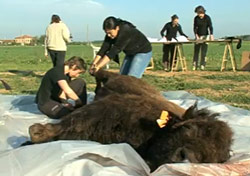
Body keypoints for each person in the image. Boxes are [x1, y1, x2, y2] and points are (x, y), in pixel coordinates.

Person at [193, 6, 214, 71]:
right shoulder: (196, 18)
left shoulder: (207, 18)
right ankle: (194, 65)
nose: (199, 15)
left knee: (204, 51)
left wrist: (211, 34)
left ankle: (202, 65)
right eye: (198, 13)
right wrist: (196, 35)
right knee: (196, 51)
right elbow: (194, 27)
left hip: (205, 35)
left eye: (200, 13)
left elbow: (210, 26)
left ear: (203, 12)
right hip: (198, 36)